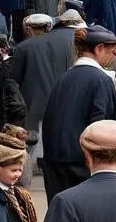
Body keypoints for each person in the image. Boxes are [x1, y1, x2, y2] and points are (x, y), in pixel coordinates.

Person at [40, 25, 116, 203]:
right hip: (82, 168)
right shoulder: (101, 80)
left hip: (55, 165)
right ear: (99, 48)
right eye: (112, 50)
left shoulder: (64, 78)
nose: (113, 56)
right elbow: (99, 126)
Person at [9, 10, 82, 186]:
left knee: (30, 145)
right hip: (60, 102)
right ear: (48, 27)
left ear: (28, 29)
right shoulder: (67, 44)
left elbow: (12, 78)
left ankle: (24, 176)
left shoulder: (23, 48)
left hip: (32, 104)